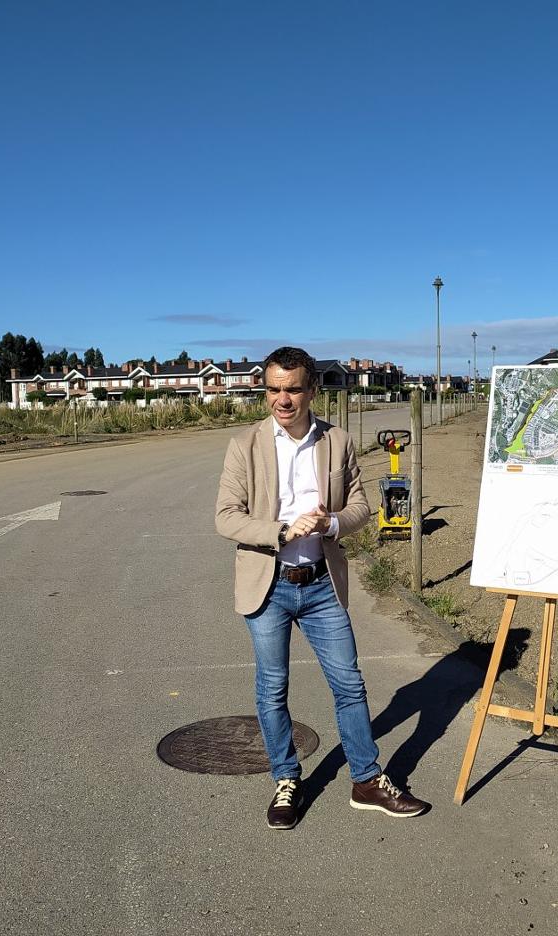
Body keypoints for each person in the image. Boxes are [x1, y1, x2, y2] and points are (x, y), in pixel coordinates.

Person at [214, 346, 429, 830]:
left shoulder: (338, 441)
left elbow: (360, 508)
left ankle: (366, 780)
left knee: (349, 684)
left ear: (312, 390)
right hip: (268, 586)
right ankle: (286, 779)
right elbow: (226, 518)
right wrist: (281, 531)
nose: (282, 399)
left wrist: (330, 523)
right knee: (273, 688)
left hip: (321, 586)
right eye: (274, 389)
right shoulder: (244, 445)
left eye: (292, 389)